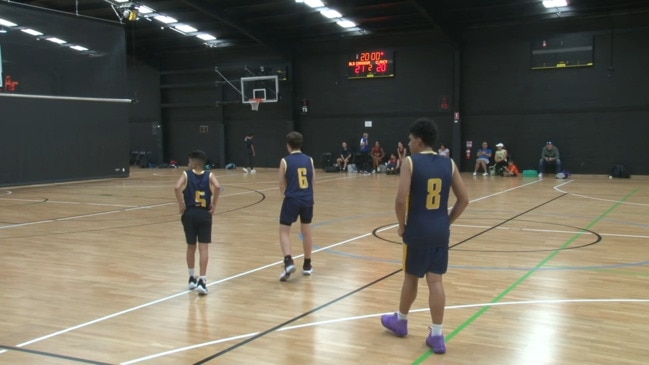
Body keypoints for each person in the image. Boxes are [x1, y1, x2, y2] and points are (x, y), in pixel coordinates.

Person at [381, 118, 469, 354]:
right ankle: (438, 336)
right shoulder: (448, 163)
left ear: (418, 141)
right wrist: (446, 221)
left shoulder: (410, 162)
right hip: (440, 231)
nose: (409, 144)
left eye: (410, 140)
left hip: (418, 230)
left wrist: (402, 225)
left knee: (411, 278)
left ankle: (401, 321)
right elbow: (464, 200)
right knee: (436, 281)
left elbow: (400, 199)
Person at [174, 150, 221, 295]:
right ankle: (202, 280)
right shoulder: (209, 175)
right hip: (204, 214)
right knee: (204, 248)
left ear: (194, 163)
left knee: (191, 246)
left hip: (189, 214)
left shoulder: (186, 174)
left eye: (189, 162)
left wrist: (181, 204)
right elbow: (218, 187)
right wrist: (214, 203)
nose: (188, 164)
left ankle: (191, 278)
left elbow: (176, 187)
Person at [278, 131, 315, 282]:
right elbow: (313, 181)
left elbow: (281, 184)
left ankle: (288, 261)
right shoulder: (309, 160)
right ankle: (307, 265)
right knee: (306, 232)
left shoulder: (285, 161)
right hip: (307, 199)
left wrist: (287, 193)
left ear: (288, 145)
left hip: (292, 199)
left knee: (284, 231)